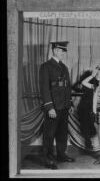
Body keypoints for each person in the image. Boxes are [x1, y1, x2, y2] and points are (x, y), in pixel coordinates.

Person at [39, 41, 75, 169]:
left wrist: (69, 103)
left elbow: (67, 87)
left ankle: (61, 154)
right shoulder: (46, 66)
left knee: (62, 133)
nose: (62, 53)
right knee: (49, 134)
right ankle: (47, 159)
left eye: (64, 51)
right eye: (60, 51)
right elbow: (44, 89)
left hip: (64, 106)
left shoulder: (64, 67)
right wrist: (49, 107)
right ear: (54, 50)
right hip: (53, 107)